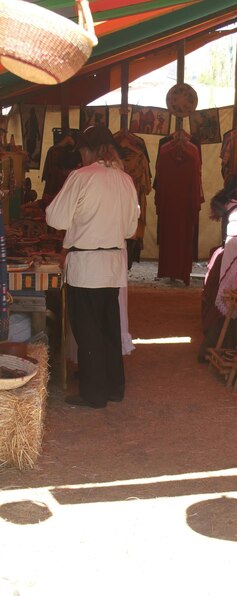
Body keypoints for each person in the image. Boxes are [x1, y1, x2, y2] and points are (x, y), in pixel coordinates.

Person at [46, 125, 140, 408]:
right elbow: (130, 229)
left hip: (86, 265)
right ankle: (114, 387)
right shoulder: (124, 179)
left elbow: (56, 218)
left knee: (87, 331)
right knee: (109, 327)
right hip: (112, 265)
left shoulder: (82, 176)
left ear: (88, 150)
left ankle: (94, 393)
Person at [198, 169, 237, 362]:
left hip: (233, 259)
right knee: (230, 304)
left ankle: (225, 349)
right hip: (234, 262)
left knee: (231, 306)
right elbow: (236, 236)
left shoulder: (236, 206)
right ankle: (215, 350)